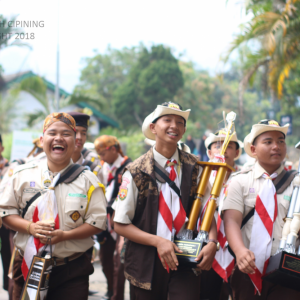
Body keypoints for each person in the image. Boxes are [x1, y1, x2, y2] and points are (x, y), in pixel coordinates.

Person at [113, 102, 217, 300]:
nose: (174, 126)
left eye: (180, 122)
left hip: (187, 257)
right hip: (146, 262)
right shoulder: (136, 171)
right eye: (167, 120)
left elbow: (207, 211)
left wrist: (212, 241)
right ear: (153, 128)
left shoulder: (195, 167)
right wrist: (159, 241)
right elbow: (120, 224)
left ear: (184, 130)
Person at [0, 112, 107, 300]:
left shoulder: (89, 181)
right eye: (52, 133)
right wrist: (29, 227)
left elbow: (97, 222)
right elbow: (6, 212)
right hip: (28, 264)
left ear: (76, 141)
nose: (59, 138)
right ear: (42, 140)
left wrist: (66, 236)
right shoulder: (22, 175)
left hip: (71, 269)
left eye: (66, 134)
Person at [222, 119, 300, 300]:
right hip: (247, 269)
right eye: (268, 142)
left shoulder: (296, 183)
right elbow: (231, 220)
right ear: (253, 149)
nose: (276, 146)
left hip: (287, 270)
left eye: (281, 141)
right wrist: (240, 251)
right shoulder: (239, 181)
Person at [200, 130, 243, 300]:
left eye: (229, 146)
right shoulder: (200, 180)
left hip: (238, 251)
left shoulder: (245, 180)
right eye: (218, 146)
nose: (223, 149)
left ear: (237, 153)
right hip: (206, 250)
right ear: (209, 153)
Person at [94, 135, 132, 300]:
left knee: (119, 261)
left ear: (114, 149)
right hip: (104, 221)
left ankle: (117, 296)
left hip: (122, 220)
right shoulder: (102, 167)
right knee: (105, 258)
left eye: (103, 153)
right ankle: (110, 291)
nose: (101, 157)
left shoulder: (129, 167)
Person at [67, 112, 102, 179]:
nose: (79, 137)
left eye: (83, 133)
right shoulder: (52, 163)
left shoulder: (93, 165)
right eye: (75, 132)